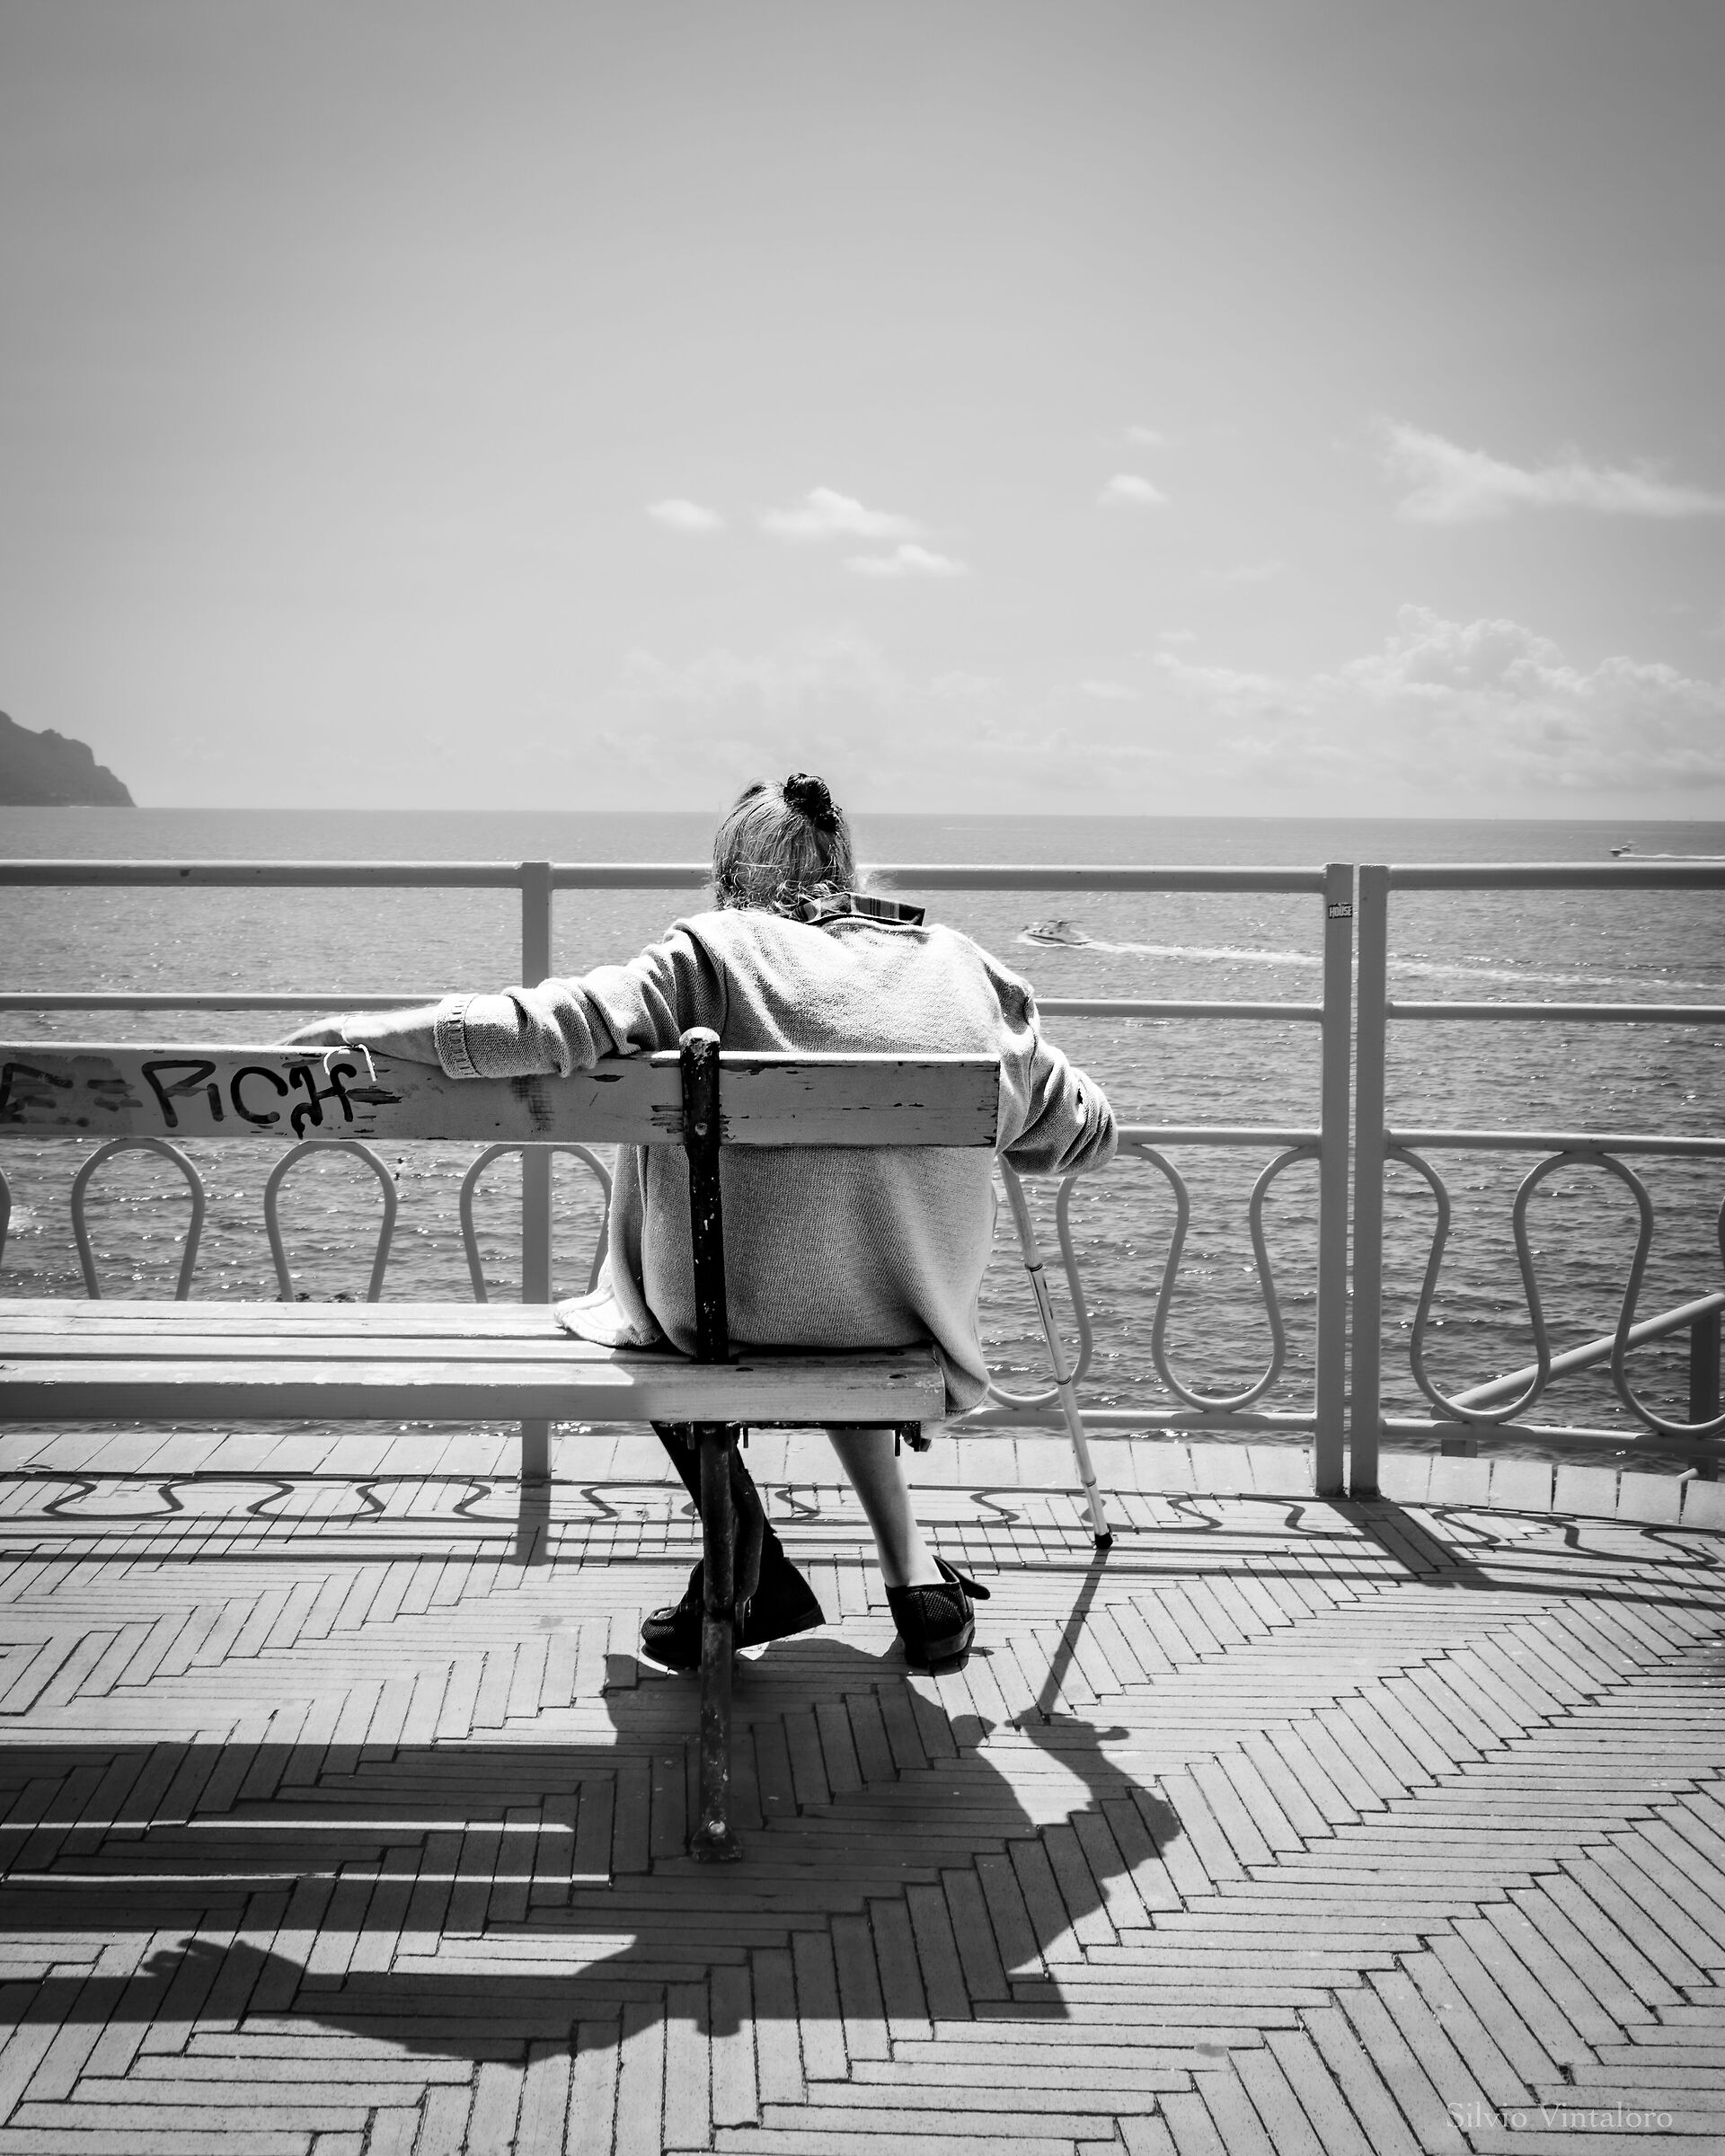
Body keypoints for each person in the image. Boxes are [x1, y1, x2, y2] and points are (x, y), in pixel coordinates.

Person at [287, 774, 1114, 1672]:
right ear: (847, 864)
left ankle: (746, 1557)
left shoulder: (709, 956)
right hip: (903, 1328)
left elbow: (548, 1025)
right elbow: (1082, 1131)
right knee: (845, 1264)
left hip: (713, 1325)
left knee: (646, 1300)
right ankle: (912, 1580)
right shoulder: (964, 968)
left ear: (732, 875)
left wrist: (368, 1028)